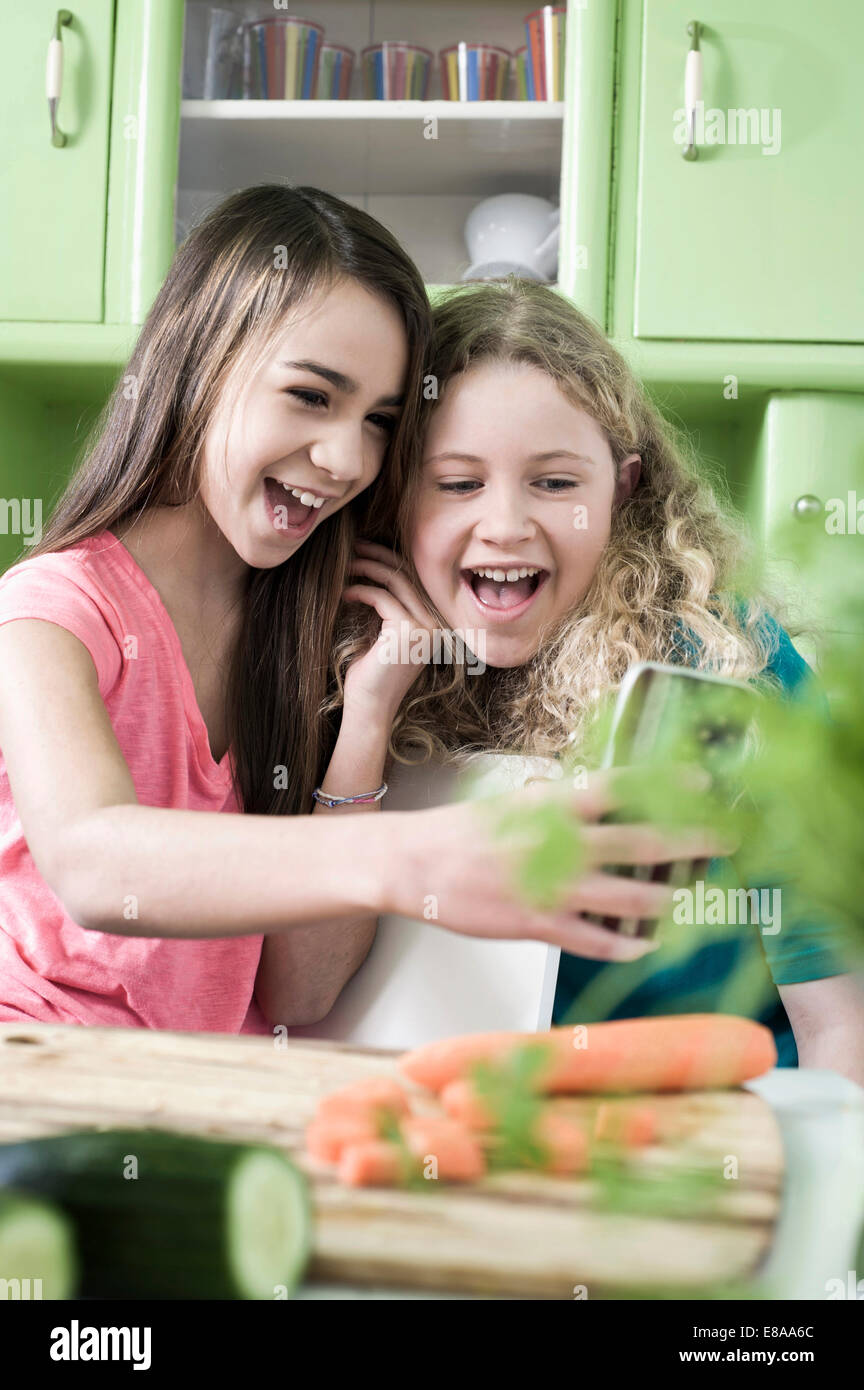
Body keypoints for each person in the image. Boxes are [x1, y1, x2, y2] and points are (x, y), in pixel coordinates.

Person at [0, 192, 691, 1035]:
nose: (345, 459)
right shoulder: (51, 610)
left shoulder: (299, 628)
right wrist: (416, 856)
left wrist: (365, 717)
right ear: (198, 364)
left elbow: (299, 998)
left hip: (205, 1103)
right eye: (310, 396)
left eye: (378, 422)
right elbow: (92, 864)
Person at [322, 278, 863, 1082]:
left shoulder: (725, 662)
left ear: (625, 489)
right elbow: (308, 994)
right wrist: (365, 721)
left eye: (555, 482)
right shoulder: (343, 657)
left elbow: (841, 1026)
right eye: (457, 482)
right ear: (395, 496)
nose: (506, 525)